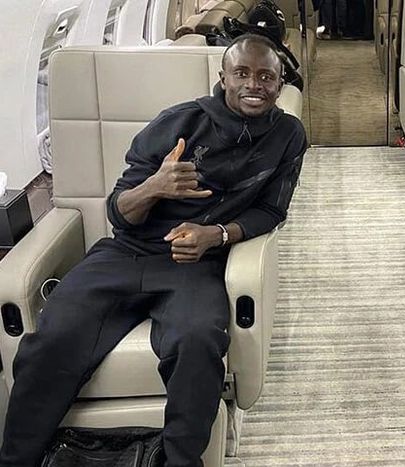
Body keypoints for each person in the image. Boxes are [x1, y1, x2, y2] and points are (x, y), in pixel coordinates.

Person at [0, 33, 306, 467]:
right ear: (223, 78)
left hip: (195, 265)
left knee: (197, 341)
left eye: (266, 77)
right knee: (53, 339)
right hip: (126, 253)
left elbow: (271, 211)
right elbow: (118, 212)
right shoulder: (178, 123)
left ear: (279, 84)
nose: (254, 84)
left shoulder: (288, 135)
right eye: (242, 73)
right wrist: (155, 186)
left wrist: (216, 235)